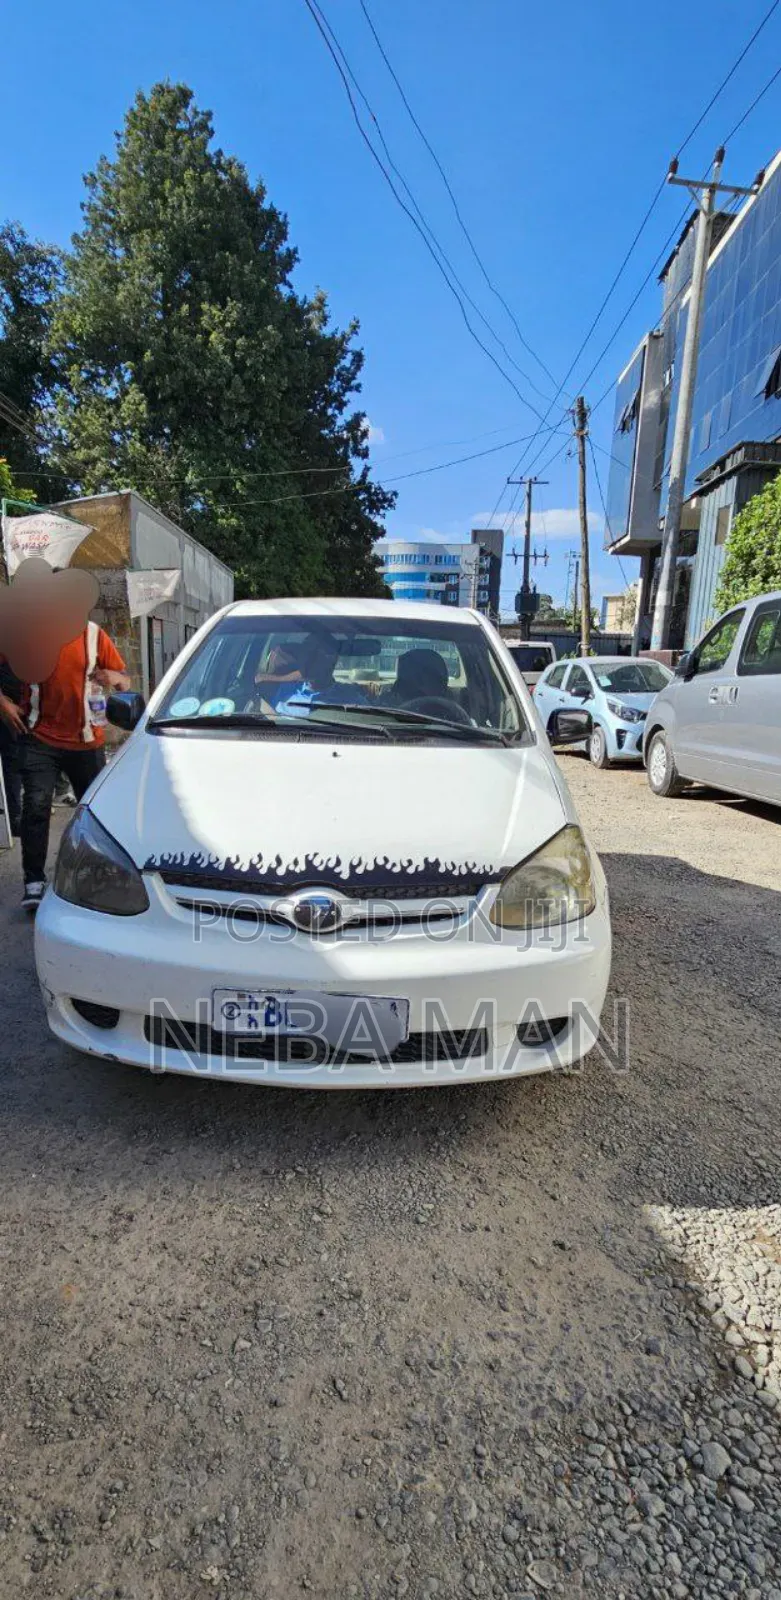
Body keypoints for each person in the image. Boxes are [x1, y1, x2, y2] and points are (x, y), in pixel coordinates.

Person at [0, 622, 129, 910]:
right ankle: (33, 882)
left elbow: (125, 681)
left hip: (85, 741)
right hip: (39, 738)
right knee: (36, 805)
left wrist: (113, 676)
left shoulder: (94, 634)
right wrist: (4, 704)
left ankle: (100, 876)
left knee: (96, 814)